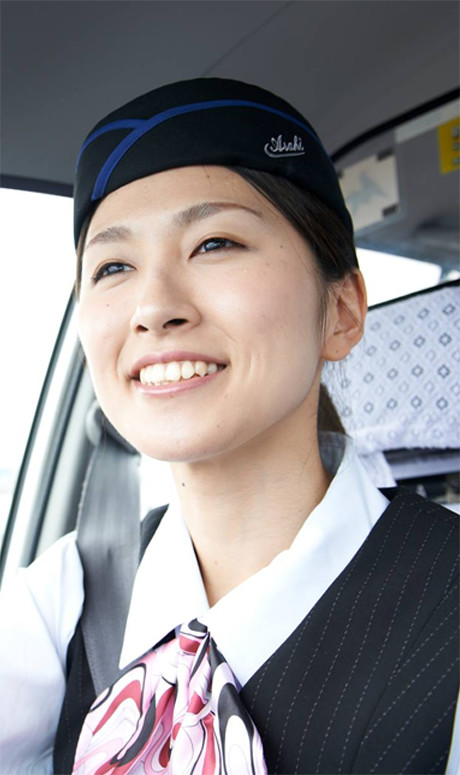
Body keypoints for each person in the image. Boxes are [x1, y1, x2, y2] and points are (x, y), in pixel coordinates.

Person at [0, 78, 458, 775]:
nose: (154, 307)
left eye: (214, 243)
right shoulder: (74, 589)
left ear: (341, 310)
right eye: (114, 266)